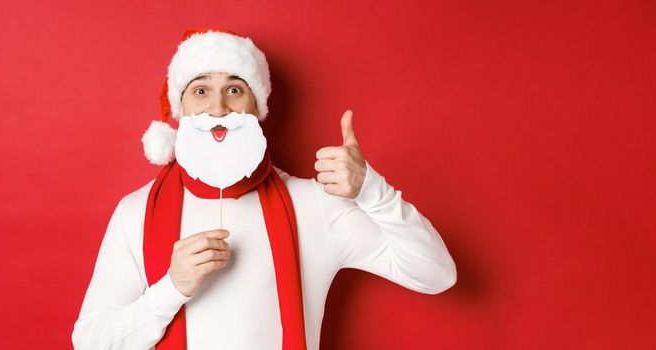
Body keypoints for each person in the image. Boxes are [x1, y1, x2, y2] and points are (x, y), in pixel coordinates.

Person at [71, 27, 457, 350]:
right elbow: (90, 341)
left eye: (235, 90)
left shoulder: (314, 205)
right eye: (201, 91)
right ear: (181, 110)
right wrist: (172, 288)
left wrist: (372, 191)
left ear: (257, 108)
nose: (218, 108)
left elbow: (437, 274)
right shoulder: (136, 212)